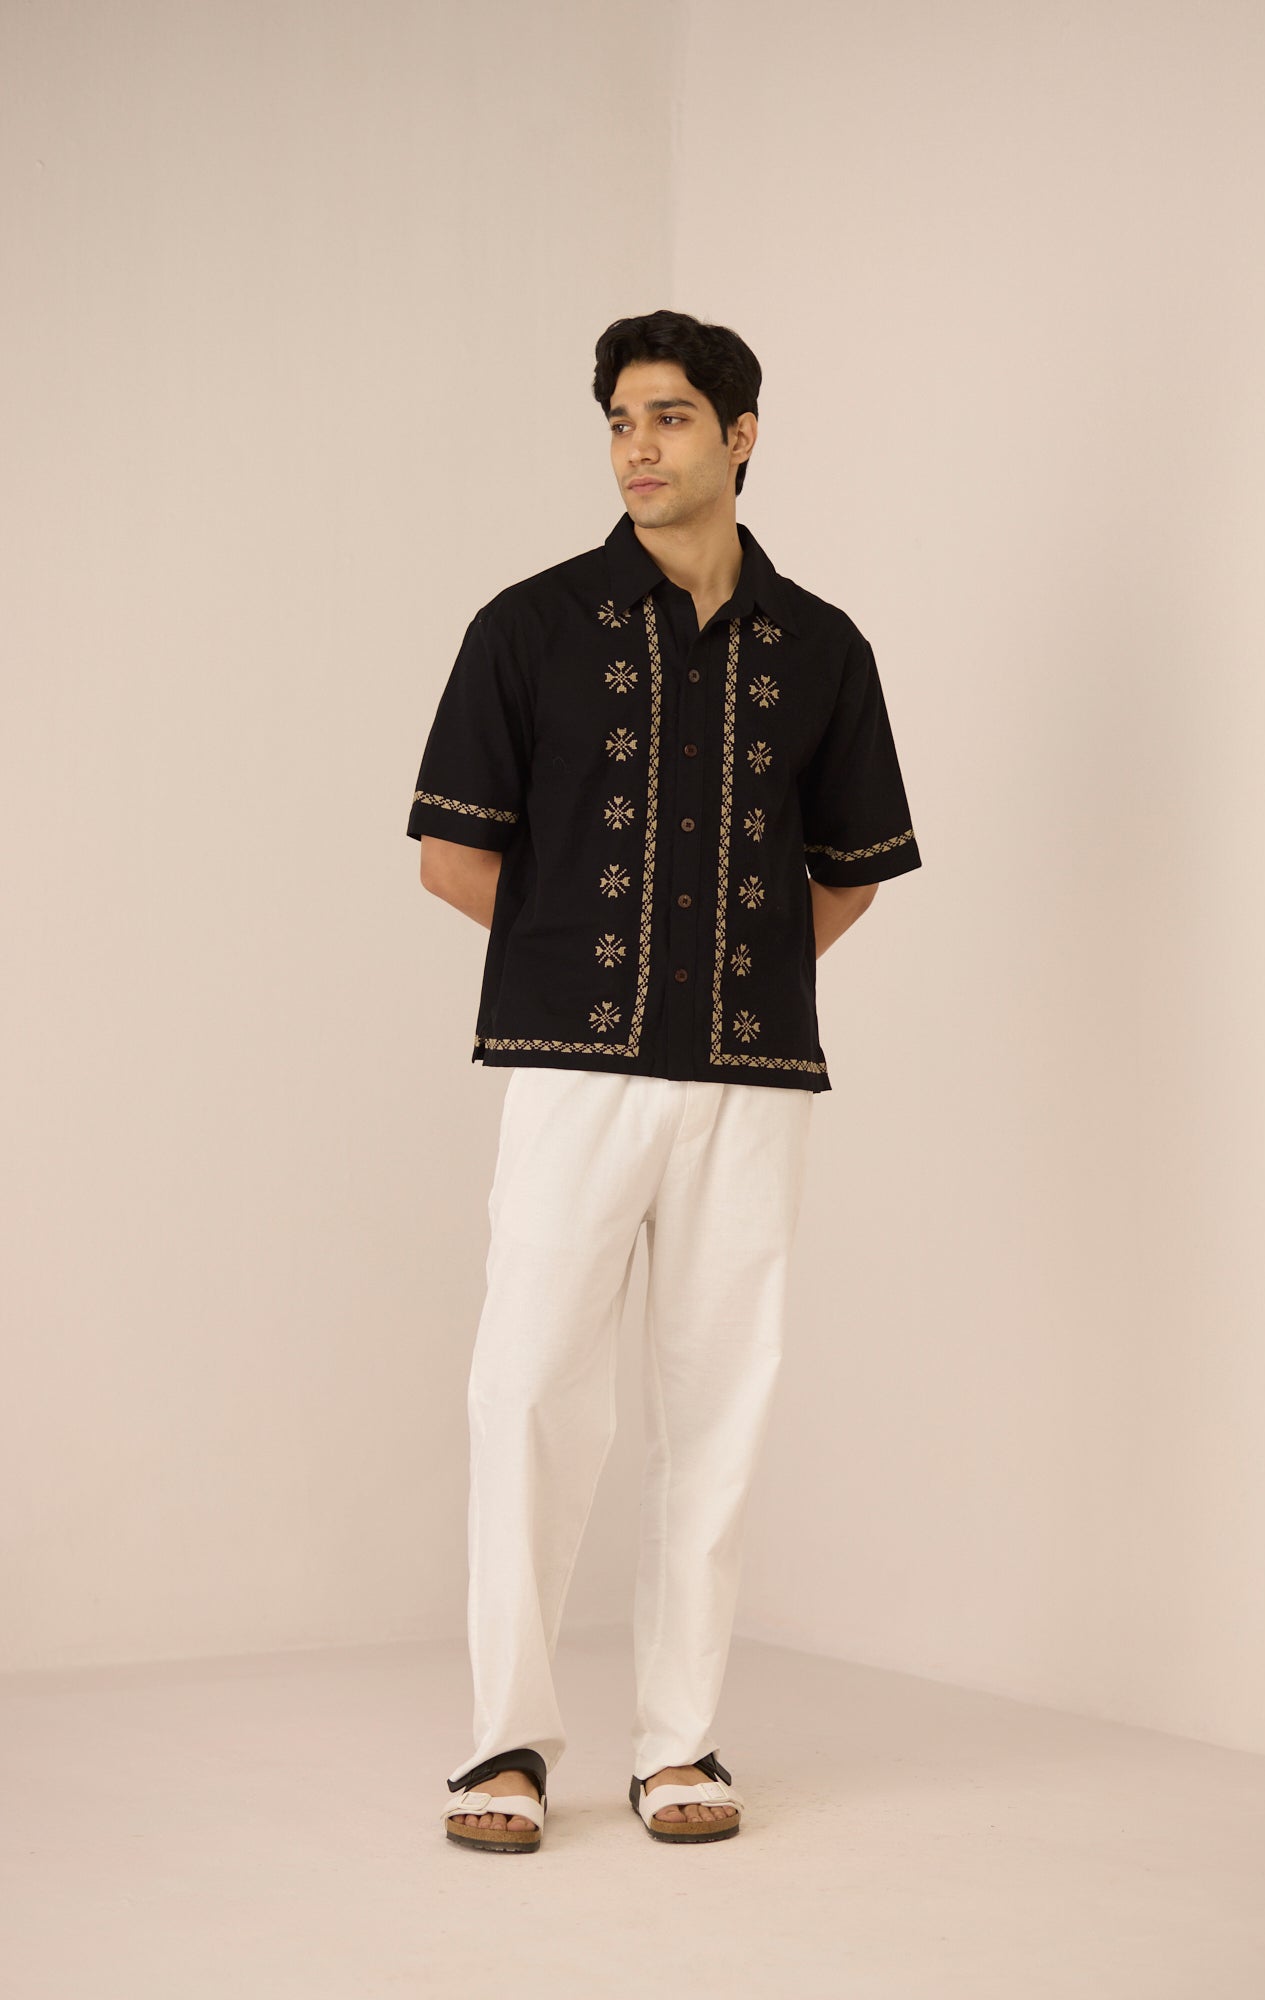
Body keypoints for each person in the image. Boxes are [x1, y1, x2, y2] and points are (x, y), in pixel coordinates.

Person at [406, 308, 922, 1852]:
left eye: (671, 418)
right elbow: (452, 860)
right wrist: (601, 972)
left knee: (718, 1403)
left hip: (750, 1077)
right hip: (571, 1072)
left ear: (740, 437)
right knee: (527, 1394)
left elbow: (848, 870)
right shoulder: (528, 629)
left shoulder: (823, 648)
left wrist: (725, 975)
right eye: (621, 421)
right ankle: (504, 1745)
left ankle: (677, 1741)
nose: (638, 448)